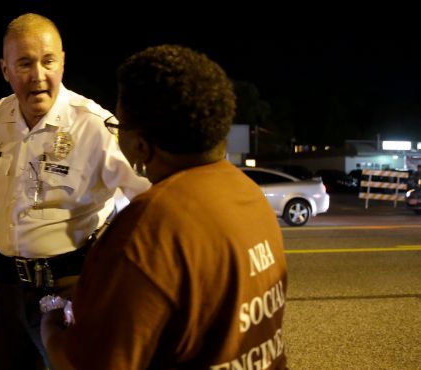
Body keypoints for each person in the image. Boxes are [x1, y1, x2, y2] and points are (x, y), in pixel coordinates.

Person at [41, 44, 288, 369]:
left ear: (141, 144)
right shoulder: (250, 196)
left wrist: (51, 330)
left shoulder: (148, 230)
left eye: (119, 128)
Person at [0, 13, 151, 370]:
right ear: (5, 70)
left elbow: (150, 202)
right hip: (8, 292)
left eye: (48, 61)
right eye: (24, 64)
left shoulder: (94, 127)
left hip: (73, 290)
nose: (38, 76)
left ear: (63, 62)